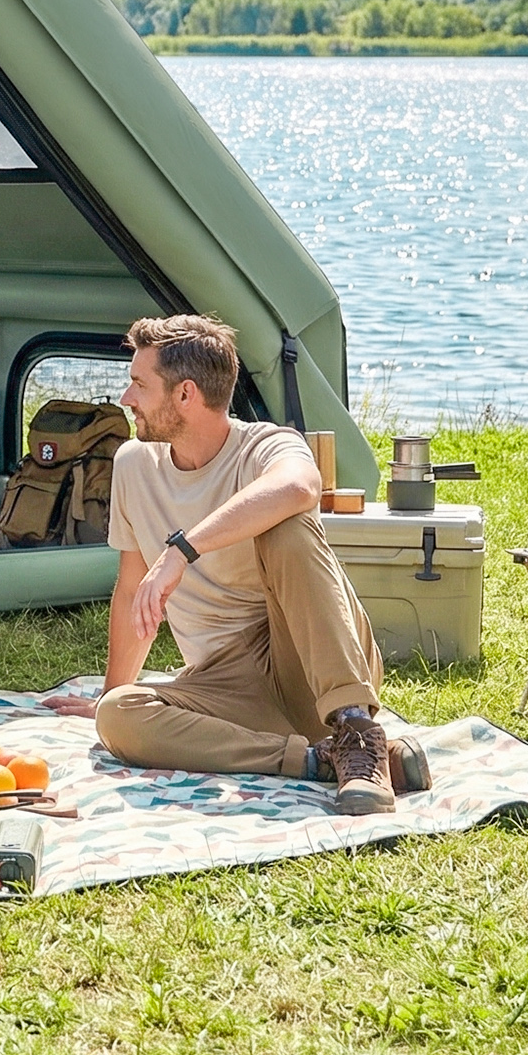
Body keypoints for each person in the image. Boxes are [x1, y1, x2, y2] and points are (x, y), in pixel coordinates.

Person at [43, 313, 431, 815]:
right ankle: (318, 759)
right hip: (228, 687)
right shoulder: (134, 464)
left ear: (185, 394)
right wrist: (110, 694)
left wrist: (182, 551)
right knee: (119, 715)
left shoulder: (268, 445)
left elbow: (299, 487)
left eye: (139, 383)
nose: (126, 398)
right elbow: (133, 590)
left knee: (287, 524)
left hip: (305, 660)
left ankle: (356, 726)